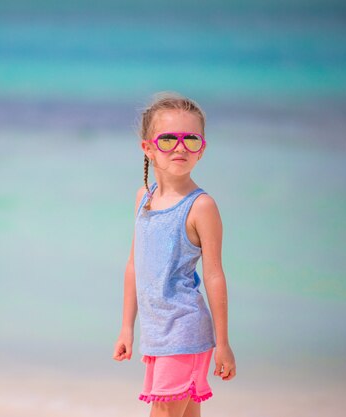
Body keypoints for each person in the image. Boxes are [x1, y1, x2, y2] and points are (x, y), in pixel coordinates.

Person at [112, 92, 236, 417]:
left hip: (184, 332)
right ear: (148, 148)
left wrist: (223, 343)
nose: (180, 147)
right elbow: (134, 265)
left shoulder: (201, 206)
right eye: (168, 139)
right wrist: (127, 327)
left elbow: (213, 275)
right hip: (157, 336)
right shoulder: (143, 198)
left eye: (190, 139)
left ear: (202, 149)